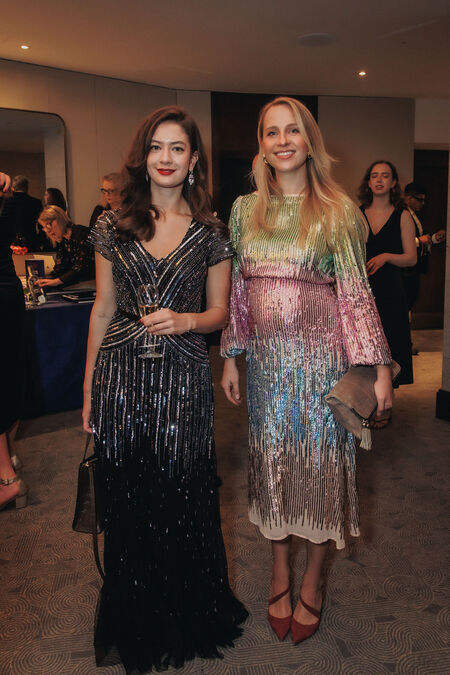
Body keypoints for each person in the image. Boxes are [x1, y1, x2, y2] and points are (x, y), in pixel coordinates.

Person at [220, 96, 393, 645]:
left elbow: (356, 294)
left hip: (322, 366)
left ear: (310, 140)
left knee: (318, 475)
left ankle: (313, 581)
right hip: (267, 371)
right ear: (262, 145)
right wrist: (231, 355)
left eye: (292, 130)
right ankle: (279, 572)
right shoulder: (245, 209)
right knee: (274, 469)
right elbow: (238, 291)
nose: (283, 141)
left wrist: (379, 368)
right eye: (271, 132)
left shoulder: (338, 209)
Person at [82, 105, 247, 671]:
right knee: (129, 497)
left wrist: (185, 320)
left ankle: (183, 614)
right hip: (121, 377)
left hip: (182, 379)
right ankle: (137, 619)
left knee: (180, 493)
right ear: (143, 156)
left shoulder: (212, 232)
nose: (166, 158)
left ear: (194, 159)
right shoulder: (112, 225)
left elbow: (221, 311)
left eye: (178, 147)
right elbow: (102, 310)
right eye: (156, 147)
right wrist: (89, 390)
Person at [358, 161, 417, 424]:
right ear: (368, 182)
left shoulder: (402, 215)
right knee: (364, 347)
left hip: (391, 290)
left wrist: (386, 257)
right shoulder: (358, 214)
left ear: (393, 183)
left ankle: (384, 406)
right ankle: (365, 402)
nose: (379, 180)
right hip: (363, 290)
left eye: (385, 176)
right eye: (374, 176)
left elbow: (411, 258)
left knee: (390, 344)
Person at [0, 171, 28, 510]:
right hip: (8, 290)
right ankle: (8, 459)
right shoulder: (7, 199)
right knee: (8, 375)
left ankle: (7, 478)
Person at [401, 181, 446, 312]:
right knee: (406, 300)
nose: (423, 203)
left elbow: (421, 238)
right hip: (405, 268)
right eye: (420, 200)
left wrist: (434, 238)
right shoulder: (401, 213)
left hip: (415, 266)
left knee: (411, 298)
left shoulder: (414, 215)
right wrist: (420, 240)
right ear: (409, 198)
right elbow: (399, 242)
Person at [35, 206, 94, 287]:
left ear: (60, 219)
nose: (48, 230)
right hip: (78, 284)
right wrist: (46, 280)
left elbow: (80, 268)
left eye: (49, 224)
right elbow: (60, 269)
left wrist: (55, 281)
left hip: (91, 284)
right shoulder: (64, 241)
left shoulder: (81, 234)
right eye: (45, 227)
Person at [8, 175, 43, 251]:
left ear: (12, 188)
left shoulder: (6, 203)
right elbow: (41, 226)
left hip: (10, 243)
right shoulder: (36, 203)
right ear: (27, 187)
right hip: (31, 242)